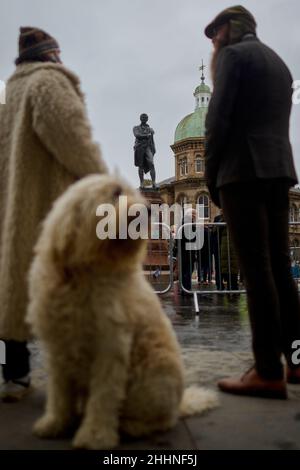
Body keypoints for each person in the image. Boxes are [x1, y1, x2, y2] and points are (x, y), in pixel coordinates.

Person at [0, 27, 107, 401]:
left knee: (14, 286)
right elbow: (73, 139)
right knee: (72, 286)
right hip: (53, 208)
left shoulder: (10, 92)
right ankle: (82, 378)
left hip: (14, 212)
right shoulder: (48, 83)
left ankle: (15, 373)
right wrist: (105, 183)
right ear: (51, 56)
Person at [204, 6, 300, 398]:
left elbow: (218, 120)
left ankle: (265, 370)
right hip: (280, 172)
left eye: (214, 33)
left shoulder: (232, 56)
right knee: (280, 267)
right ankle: (296, 361)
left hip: (242, 173)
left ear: (228, 30)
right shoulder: (278, 63)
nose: (213, 42)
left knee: (256, 270)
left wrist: (212, 178)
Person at [133, 114, 157, 189]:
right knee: (140, 166)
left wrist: (153, 148)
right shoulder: (136, 128)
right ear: (140, 118)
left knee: (151, 164)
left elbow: (152, 140)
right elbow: (137, 135)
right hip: (139, 147)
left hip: (148, 147)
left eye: (145, 118)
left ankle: (154, 183)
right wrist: (147, 135)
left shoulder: (150, 129)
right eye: (143, 117)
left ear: (147, 119)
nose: (144, 118)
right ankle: (142, 183)